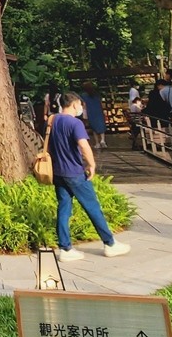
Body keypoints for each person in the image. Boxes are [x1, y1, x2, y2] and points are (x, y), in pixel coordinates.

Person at [48, 92, 130, 261]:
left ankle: (65, 248)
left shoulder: (52, 120)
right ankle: (110, 243)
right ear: (74, 104)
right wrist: (91, 164)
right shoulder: (75, 123)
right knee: (92, 207)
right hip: (75, 172)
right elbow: (84, 145)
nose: (81, 108)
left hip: (58, 172)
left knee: (64, 208)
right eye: (80, 105)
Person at [79, 82, 107, 150]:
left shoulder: (84, 95)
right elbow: (101, 102)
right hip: (98, 110)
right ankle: (103, 140)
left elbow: (84, 105)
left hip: (90, 112)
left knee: (94, 128)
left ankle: (97, 143)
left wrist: (84, 113)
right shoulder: (97, 94)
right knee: (101, 125)